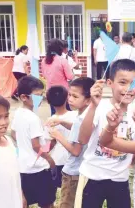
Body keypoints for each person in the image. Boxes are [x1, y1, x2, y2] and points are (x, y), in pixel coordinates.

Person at [77, 59, 135, 208]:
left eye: (134, 83)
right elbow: (82, 139)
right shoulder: (99, 106)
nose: (129, 88)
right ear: (110, 83)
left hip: (120, 179)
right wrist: (92, 105)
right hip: (92, 175)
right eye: (123, 82)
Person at [46, 77, 94, 208]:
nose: (70, 99)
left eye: (75, 96)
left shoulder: (80, 121)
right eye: (70, 95)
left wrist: (58, 135)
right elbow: (77, 129)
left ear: (88, 100)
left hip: (73, 172)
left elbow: (75, 151)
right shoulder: (86, 117)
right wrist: (62, 122)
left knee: (67, 204)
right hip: (83, 171)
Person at [10, 76, 57, 208]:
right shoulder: (33, 118)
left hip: (23, 166)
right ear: (24, 97)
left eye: (42, 94)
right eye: (37, 96)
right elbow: (36, 146)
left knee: (25, 202)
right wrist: (49, 160)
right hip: (38, 168)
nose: (41, 98)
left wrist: (23, 146)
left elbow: (13, 133)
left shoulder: (18, 112)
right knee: (47, 203)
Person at [44, 86, 78, 190]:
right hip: (73, 159)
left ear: (49, 102)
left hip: (58, 159)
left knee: (60, 188)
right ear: (67, 98)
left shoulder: (50, 120)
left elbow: (50, 143)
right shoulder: (76, 115)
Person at [41, 39, 74, 115]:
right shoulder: (62, 60)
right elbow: (70, 77)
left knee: (54, 113)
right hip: (63, 92)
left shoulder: (44, 61)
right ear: (60, 49)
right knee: (67, 113)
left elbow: (44, 75)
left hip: (50, 91)